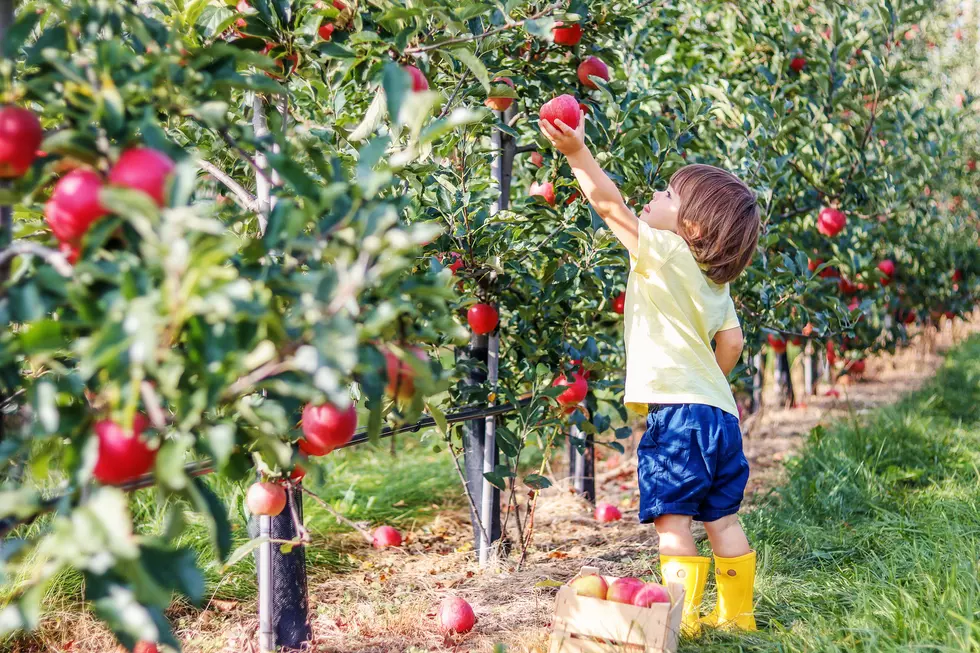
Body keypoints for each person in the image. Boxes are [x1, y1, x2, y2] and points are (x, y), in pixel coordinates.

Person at [540, 111, 761, 637]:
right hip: (720, 415)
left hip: (680, 416)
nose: (655, 196)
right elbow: (732, 342)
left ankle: (678, 622)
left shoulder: (665, 252)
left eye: (667, 194)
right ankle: (740, 617)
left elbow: (610, 205)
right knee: (723, 519)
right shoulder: (716, 285)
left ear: (693, 227)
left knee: (674, 523)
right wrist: (710, 382)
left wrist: (576, 153)